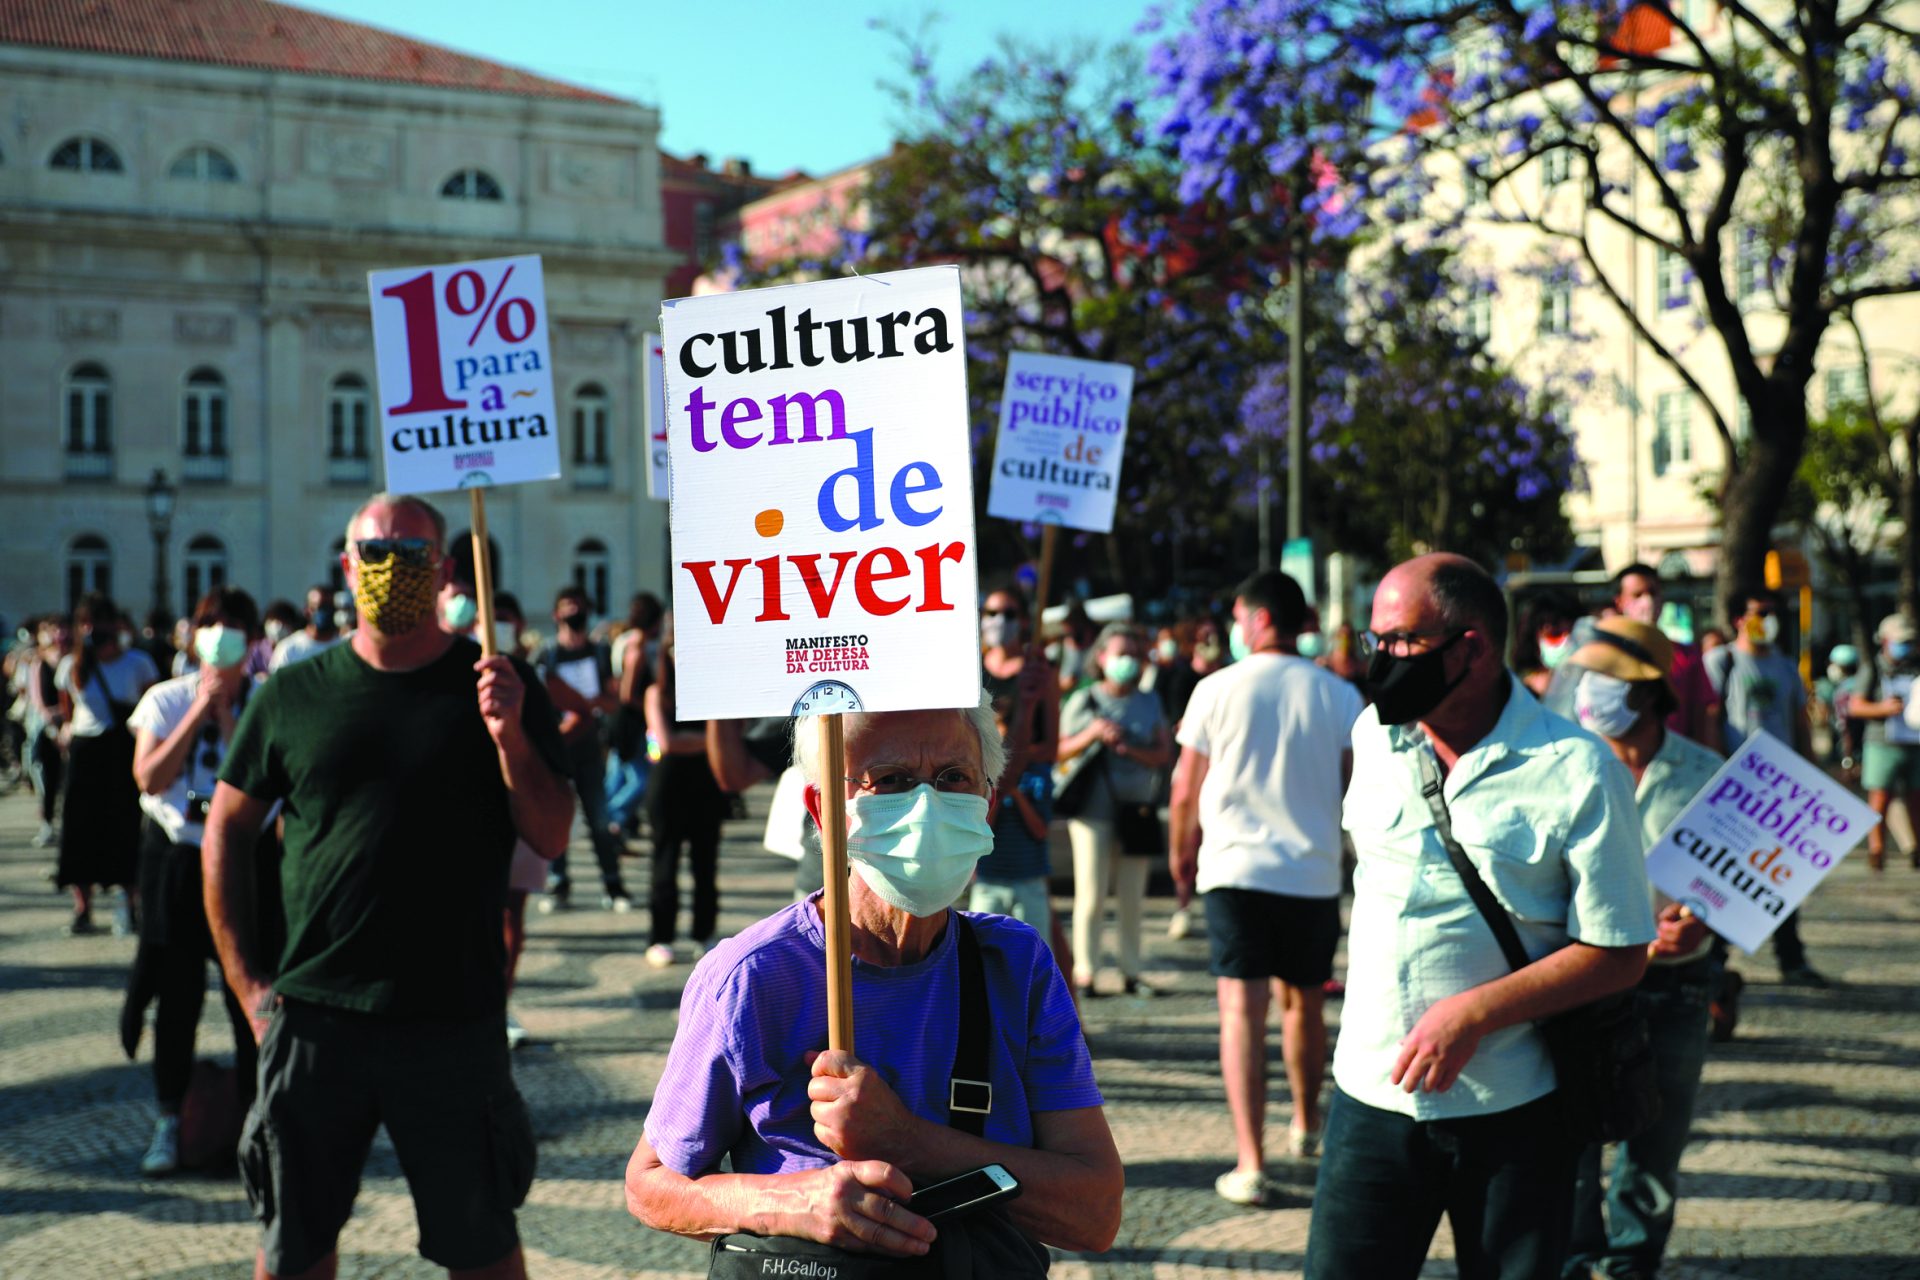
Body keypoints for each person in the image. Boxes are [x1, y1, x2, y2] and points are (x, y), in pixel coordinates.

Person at [202, 492, 573, 1280]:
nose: (392, 570)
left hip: (452, 1018)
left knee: (484, 1251)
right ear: (347, 567)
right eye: (377, 555)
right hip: (313, 1020)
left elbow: (552, 832)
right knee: (293, 1252)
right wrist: (247, 985)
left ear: (443, 570)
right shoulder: (293, 694)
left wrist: (509, 736)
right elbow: (226, 831)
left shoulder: (499, 683)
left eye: (412, 556)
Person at [624, 697, 1123, 1265]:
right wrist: (787, 1201)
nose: (927, 805)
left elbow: (1096, 1213)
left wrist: (907, 1141)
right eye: (891, 780)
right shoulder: (752, 977)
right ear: (823, 810)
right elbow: (650, 1185)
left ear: (986, 800)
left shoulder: (1016, 965)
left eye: (954, 776)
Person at [1303, 554, 1653, 1280]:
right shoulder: (1375, 736)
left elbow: (1620, 949)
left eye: (1401, 642)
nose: (1382, 661)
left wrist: (1473, 1013)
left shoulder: (1577, 768)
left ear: (1472, 648)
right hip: (1371, 1097)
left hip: (1513, 1107)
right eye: (1375, 642)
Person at [1168, 571, 1364, 1205]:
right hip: (1311, 872)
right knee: (1305, 1004)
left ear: (1254, 619)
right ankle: (1307, 1124)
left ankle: (1250, 1161)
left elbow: (1184, 787)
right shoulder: (1338, 694)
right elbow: (1356, 785)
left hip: (1234, 871)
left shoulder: (1214, 689)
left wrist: (1180, 855)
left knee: (1240, 1013)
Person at [1559, 618, 1723, 1280]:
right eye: (1588, 675)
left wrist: (1705, 921)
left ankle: (1632, 1263)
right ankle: (1573, 1258)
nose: (1593, 691)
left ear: (1653, 692)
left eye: (1613, 680)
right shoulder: (1563, 764)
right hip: (1579, 981)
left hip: (1678, 986)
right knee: (1569, 1135)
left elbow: (1741, 877)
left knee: (1657, 1141)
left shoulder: (1706, 772)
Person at [124, 586, 280, 1176]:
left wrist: (230, 714)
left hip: (246, 860)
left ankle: (257, 1117)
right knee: (176, 994)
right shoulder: (166, 699)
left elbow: (264, 782)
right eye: (212, 630)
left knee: (251, 989)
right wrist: (199, 710)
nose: (222, 642)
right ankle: (171, 1117)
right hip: (179, 861)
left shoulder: (267, 703)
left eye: (234, 632)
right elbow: (150, 777)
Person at [1704, 586, 1827, 986]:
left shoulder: (1786, 666)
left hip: (1780, 790)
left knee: (1780, 875)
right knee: (1727, 875)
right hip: (1735, 789)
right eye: (1760, 611)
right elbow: (1708, 721)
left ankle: (1791, 957)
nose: (1768, 619)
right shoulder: (1721, 662)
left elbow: (1800, 722)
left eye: (1773, 611)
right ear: (1739, 618)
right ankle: (1714, 958)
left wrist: (1810, 776)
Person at [1056, 622, 1172, 1000]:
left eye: (1135, 655)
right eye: (1120, 652)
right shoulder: (1083, 700)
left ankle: (1131, 970)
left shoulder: (1149, 701)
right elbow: (1059, 750)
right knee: (1090, 895)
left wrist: (1129, 750)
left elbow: (1163, 754)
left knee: (1132, 896)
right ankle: (1086, 971)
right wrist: (1092, 734)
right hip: (1092, 812)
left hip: (1136, 810)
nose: (1128, 661)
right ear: (1101, 657)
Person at [57, 593, 158, 935]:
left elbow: (152, 708)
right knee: (78, 828)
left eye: (98, 621)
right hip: (86, 751)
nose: (92, 629)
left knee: (124, 828)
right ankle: (82, 906)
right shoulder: (72, 665)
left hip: (121, 750)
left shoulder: (137, 663)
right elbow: (68, 708)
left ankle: (130, 902)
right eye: (85, 622)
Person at [535, 585, 634, 911]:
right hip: (558, 748)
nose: (573, 613)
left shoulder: (599, 652)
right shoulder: (547, 655)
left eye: (578, 607)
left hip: (591, 750)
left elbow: (611, 699)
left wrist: (586, 705)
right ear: (555, 614)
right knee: (557, 819)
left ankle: (613, 884)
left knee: (600, 820)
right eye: (567, 607)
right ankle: (558, 883)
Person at [642, 620, 727, 966]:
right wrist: (706, 743)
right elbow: (667, 741)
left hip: (706, 784)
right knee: (665, 862)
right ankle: (661, 936)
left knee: (705, 864)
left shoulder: (710, 688)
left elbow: (722, 738)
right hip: (668, 785)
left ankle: (703, 933)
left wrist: (704, 744)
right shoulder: (656, 692)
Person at [1610, 563, 1723, 752]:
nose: (1648, 601)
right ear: (1619, 602)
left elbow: (1705, 714)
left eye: (1653, 592)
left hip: (1676, 762)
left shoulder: (1687, 655)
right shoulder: (1606, 655)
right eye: (1637, 595)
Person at [1849, 614, 1920, 872]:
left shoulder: (1915, 668)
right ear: (1885, 641)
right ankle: (1876, 850)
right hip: (1882, 743)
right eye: (1901, 641)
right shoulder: (1873, 668)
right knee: (1880, 798)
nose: (1906, 646)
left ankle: (1916, 848)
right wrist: (1882, 708)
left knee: (1916, 798)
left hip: (1914, 743)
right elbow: (1855, 706)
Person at [606, 591, 664, 841]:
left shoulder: (626, 642)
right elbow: (628, 693)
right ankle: (611, 817)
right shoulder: (638, 649)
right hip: (631, 722)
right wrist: (652, 708)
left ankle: (608, 823)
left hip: (626, 722)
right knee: (640, 779)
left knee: (618, 777)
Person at [24, 614, 69, 848]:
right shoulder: (40, 662)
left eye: (62, 628)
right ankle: (48, 824)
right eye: (53, 629)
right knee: (49, 779)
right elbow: (39, 701)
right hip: (48, 728)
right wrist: (55, 724)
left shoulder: (72, 659)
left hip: (70, 728)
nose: (58, 634)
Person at [1514, 593, 1579, 696]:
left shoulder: (1588, 684)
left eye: (1569, 634)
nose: (1563, 641)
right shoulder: (1519, 691)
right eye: (1554, 635)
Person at [270, 585, 346, 672]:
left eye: (330, 607)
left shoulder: (344, 648)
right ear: (307, 611)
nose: (326, 611)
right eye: (319, 606)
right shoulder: (289, 648)